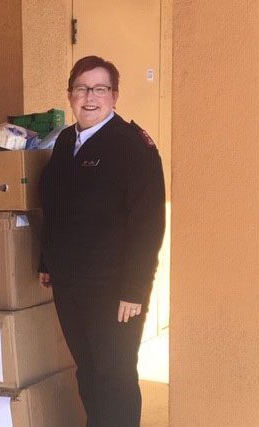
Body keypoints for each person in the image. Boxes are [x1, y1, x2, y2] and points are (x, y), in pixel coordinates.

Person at [39, 55, 165, 426]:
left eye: (99, 89)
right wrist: (47, 261)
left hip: (114, 289)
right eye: (81, 88)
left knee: (116, 375)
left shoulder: (132, 146)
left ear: (114, 96)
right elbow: (57, 207)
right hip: (70, 283)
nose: (89, 97)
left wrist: (135, 288)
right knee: (88, 370)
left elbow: (149, 223)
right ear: (70, 95)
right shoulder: (65, 142)